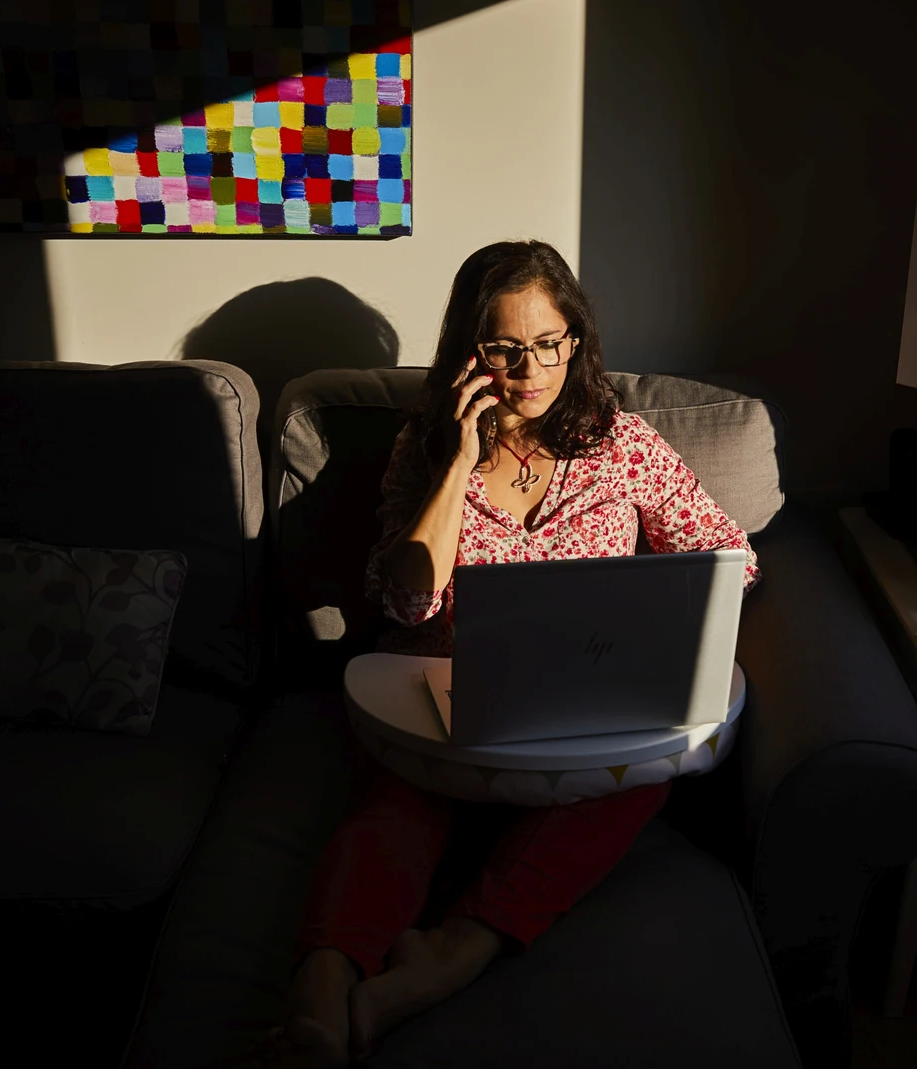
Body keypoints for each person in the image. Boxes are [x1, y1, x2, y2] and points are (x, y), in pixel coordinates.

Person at [268, 240, 760, 1067]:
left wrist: (650, 608)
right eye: (503, 347)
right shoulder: (422, 449)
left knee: (632, 784)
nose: (529, 369)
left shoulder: (624, 444)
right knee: (392, 813)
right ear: (471, 349)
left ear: (575, 339)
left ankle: (460, 945)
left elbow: (733, 558)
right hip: (446, 695)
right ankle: (321, 982)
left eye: (548, 342)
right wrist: (458, 467)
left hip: (580, 703)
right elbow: (406, 601)